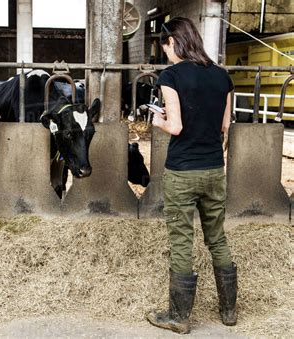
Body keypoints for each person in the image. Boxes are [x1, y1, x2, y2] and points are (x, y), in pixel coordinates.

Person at [145, 17, 237, 334]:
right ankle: (228, 312)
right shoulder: (223, 77)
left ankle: (179, 317)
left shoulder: (171, 75)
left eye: (165, 47)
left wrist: (158, 120)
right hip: (214, 170)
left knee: (182, 243)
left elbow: (176, 127)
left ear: (173, 42)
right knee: (217, 239)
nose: (166, 54)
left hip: (183, 171)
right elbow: (225, 126)